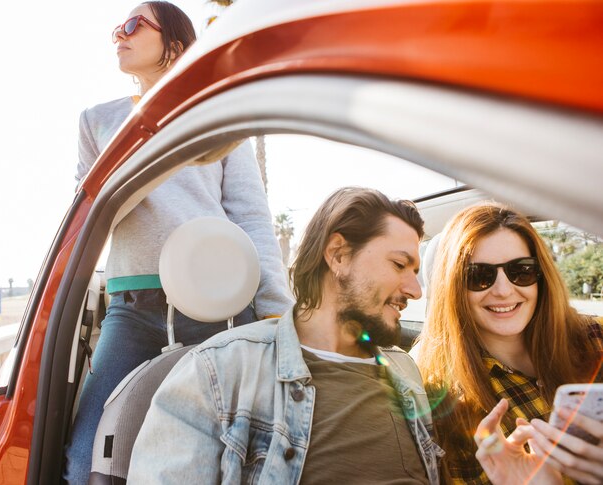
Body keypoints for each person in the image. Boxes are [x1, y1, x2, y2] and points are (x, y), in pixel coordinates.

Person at [65, 2, 293, 483]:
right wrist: (153, 135)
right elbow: (95, 215)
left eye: (132, 26)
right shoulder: (98, 122)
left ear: (174, 43)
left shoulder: (219, 120)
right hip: (131, 309)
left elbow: (251, 216)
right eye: (116, 29)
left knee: (234, 459)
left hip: (223, 307)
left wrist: (276, 310)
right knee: (85, 460)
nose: (118, 37)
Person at [128, 186, 445, 484]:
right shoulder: (216, 373)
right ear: (338, 255)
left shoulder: (405, 371)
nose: (415, 291)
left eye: (415, 272)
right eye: (399, 264)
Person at [414, 202, 603, 484]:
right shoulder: (441, 398)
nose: (503, 290)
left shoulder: (596, 338)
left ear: (540, 277)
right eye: (479, 276)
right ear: (453, 287)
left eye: (521, 271)